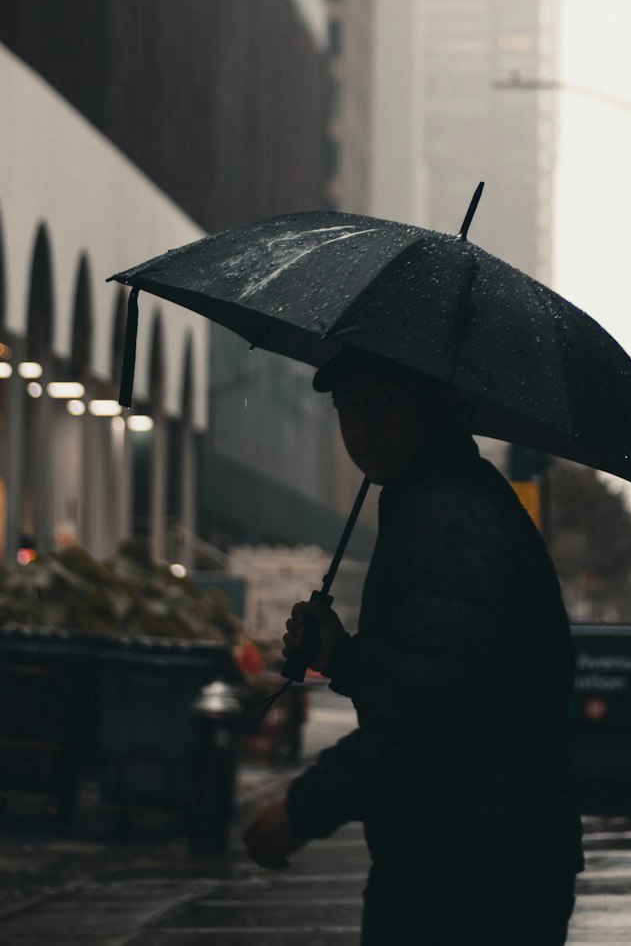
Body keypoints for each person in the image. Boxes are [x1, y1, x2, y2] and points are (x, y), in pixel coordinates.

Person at [243, 346, 584, 945]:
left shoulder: (451, 519)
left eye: (385, 403)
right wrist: (344, 658)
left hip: (471, 871)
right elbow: (447, 679)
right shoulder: (433, 501)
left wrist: (302, 812)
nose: (365, 427)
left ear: (437, 403)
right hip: (467, 856)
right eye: (350, 406)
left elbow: (428, 718)